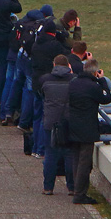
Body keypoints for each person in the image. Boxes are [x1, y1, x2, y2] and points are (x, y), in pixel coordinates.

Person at [66, 58, 111, 204]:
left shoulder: (73, 83)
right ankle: (79, 194)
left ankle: (74, 188)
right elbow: (106, 99)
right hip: (87, 129)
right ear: (95, 73)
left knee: (76, 160)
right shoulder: (93, 87)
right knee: (84, 163)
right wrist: (102, 81)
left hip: (72, 126)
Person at [28, 18, 66, 158]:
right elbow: (64, 56)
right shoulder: (55, 46)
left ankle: (35, 147)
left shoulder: (36, 44)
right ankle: (42, 148)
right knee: (47, 117)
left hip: (36, 82)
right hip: (48, 85)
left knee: (37, 116)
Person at [39, 54, 76, 196]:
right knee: (69, 155)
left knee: (50, 154)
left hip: (50, 122)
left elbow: (40, 95)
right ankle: (72, 187)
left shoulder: (45, 80)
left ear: (54, 65)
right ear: (68, 67)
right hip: (68, 122)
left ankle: (48, 187)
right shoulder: (74, 80)